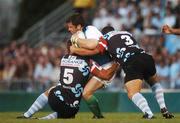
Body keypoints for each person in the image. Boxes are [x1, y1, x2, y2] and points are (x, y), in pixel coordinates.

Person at [70, 26, 174, 119]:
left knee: (132, 92)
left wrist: (77, 49)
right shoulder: (126, 33)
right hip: (146, 57)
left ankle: (149, 114)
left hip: (131, 61)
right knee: (154, 83)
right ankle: (164, 109)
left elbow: (97, 51)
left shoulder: (105, 38)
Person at [16, 41, 118, 119]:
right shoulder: (88, 62)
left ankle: (27, 115)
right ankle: (44, 118)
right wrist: (116, 63)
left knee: (52, 90)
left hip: (56, 99)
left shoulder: (64, 58)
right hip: (73, 109)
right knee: (67, 108)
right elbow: (105, 76)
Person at [66, 13, 115, 118]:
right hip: (96, 67)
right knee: (79, 90)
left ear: (79, 26)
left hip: (106, 66)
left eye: (70, 27)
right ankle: (93, 114)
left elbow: (96, 48)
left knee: (86, 93)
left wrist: (76, 48)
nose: (69, 29)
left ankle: (99, 117)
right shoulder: (78, 36)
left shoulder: (90, 30)